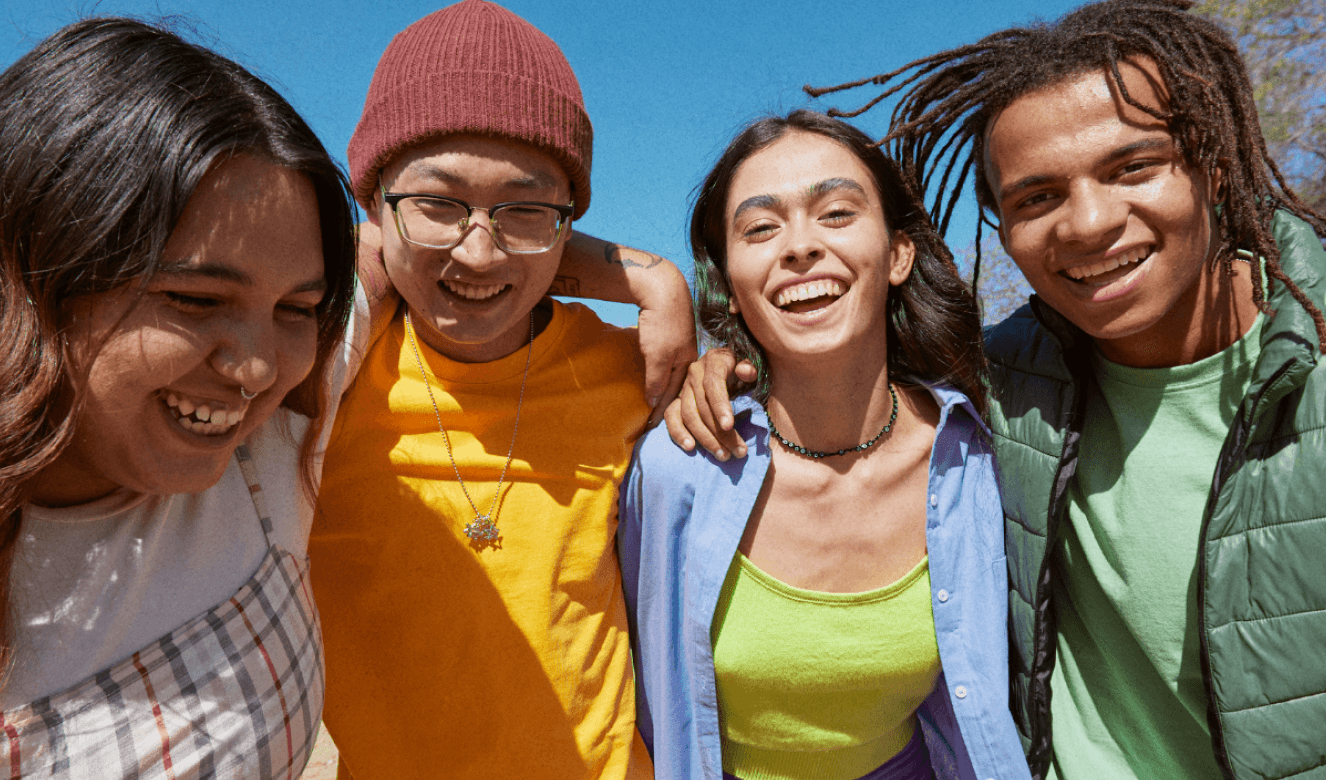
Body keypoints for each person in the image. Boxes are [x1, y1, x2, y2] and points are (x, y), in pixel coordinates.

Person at [668, 1, 1326, 778]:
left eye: (1133, 167)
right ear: (1002, 224)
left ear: (1215, 165)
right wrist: (714, 356)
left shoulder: (1303, 373)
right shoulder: (1004, 389)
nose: (1087, 222)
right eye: (1036, 197)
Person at [307, 2, 693, 778]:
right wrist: (648, 272)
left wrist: (666, 289)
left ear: (567, 219)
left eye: (524, 210)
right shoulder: (318, 375)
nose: (480, 252)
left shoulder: (632, 372)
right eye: (438, 203)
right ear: (376, 203)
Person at [620, 110, 1031, 780]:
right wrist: (653, 280)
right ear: (729, 276)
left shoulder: (975, 453)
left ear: (898, 254)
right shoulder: (677, 465)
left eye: (836, 213)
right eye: (760, 227)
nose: (798, 246)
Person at [0, 18, 357, 778]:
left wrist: (642, 279)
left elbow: (431, 247)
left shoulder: (268, 454)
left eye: (298, 310)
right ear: (35, 279)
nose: (258, 368)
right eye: (195, 299)